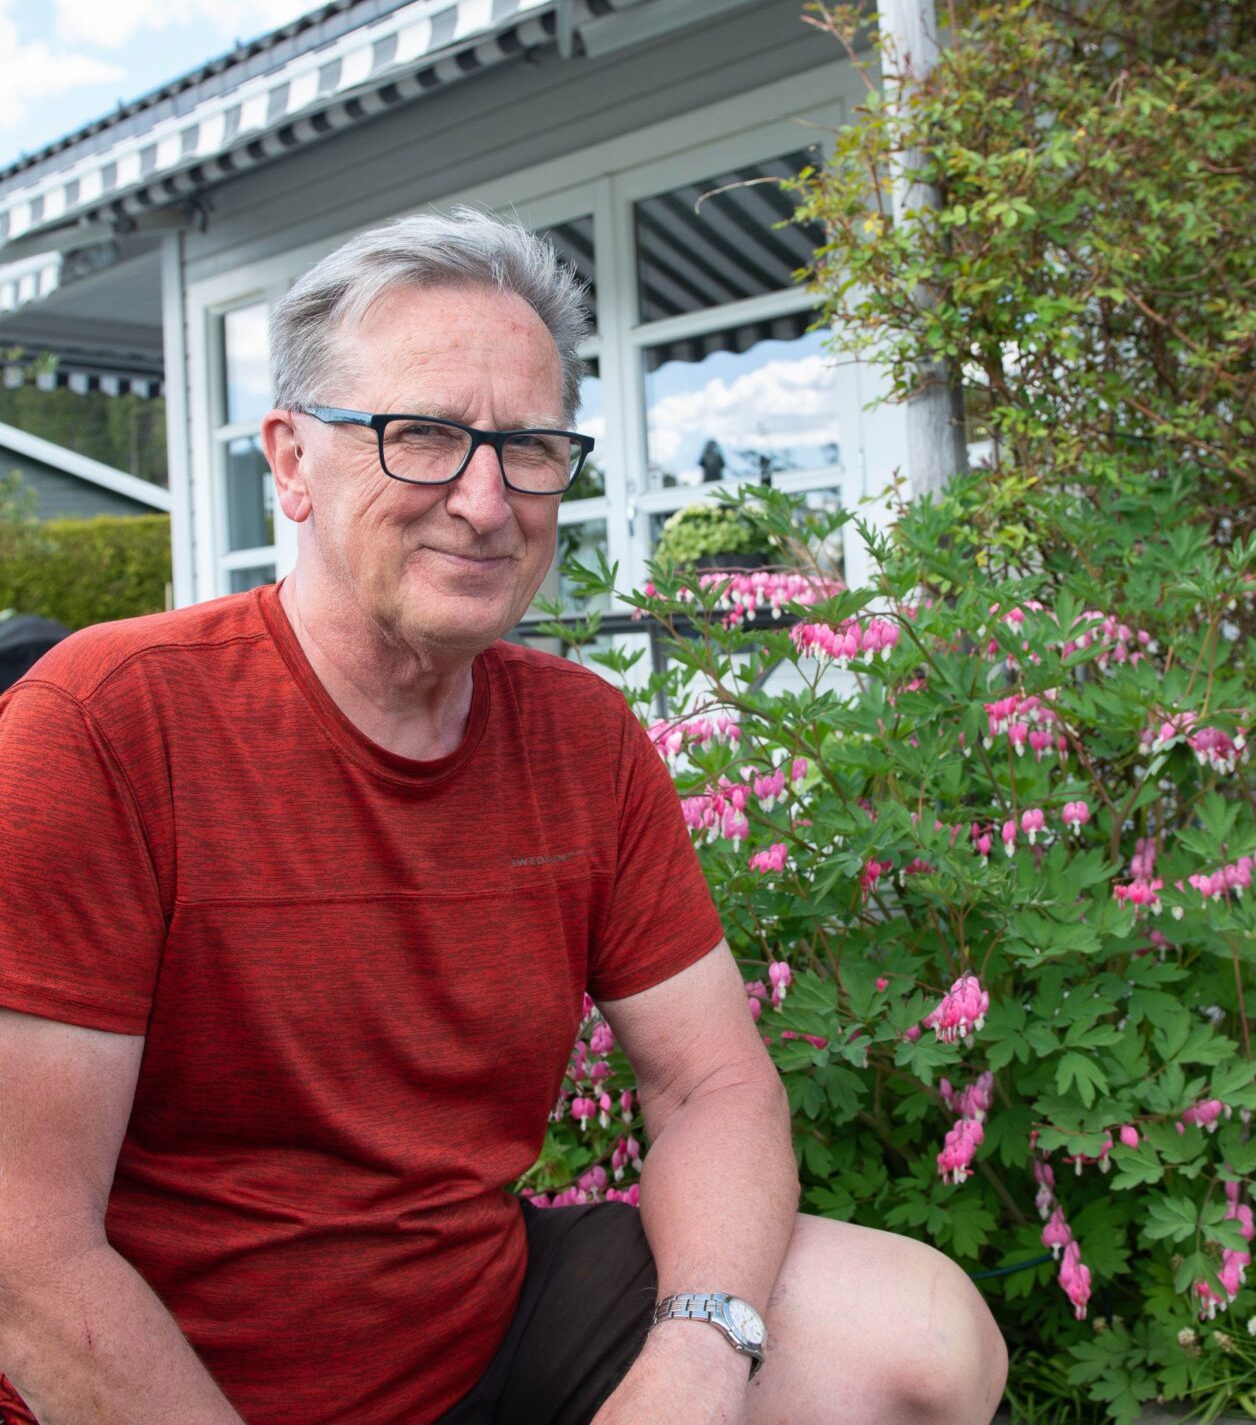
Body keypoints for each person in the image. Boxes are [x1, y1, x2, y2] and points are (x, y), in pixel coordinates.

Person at [0, 209, 1007, 1425]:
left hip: (478, 1329)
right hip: (177, 1377)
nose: (485, 501)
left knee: (915, 1342)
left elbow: (713, 1090)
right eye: (420, 435)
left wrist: (697, 1357)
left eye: (528, 446)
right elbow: (27, 1254)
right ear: (290, 461)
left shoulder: (581, 737)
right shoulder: (106, 725)